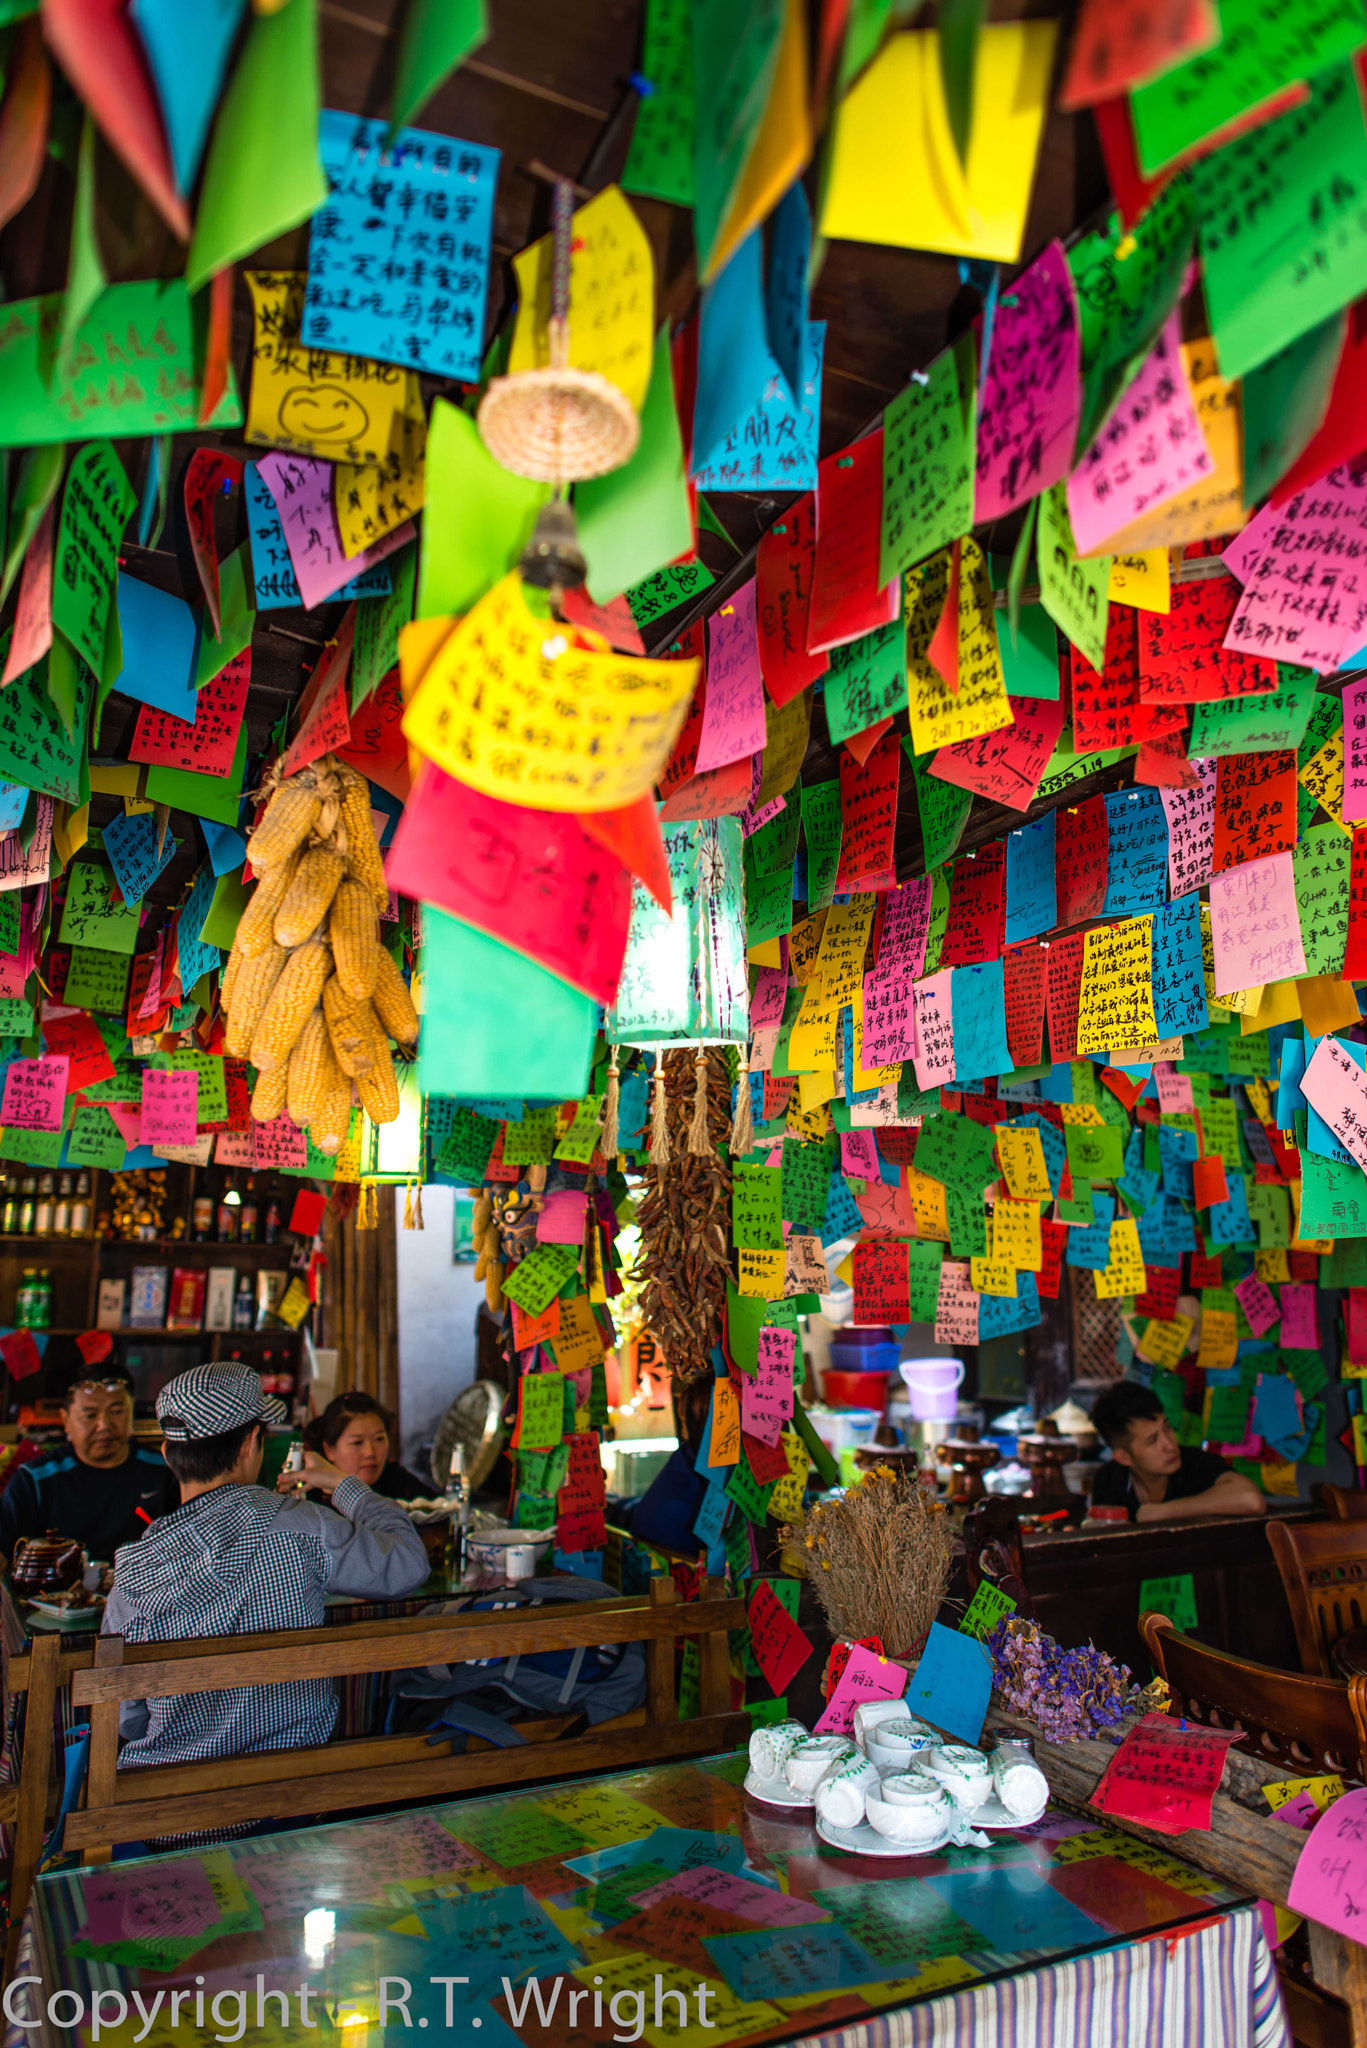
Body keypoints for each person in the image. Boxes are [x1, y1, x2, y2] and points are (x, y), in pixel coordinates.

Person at [103, 1363, 428, 1772]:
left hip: (165, 1815)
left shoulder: (133, 1569)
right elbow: (409, 1565)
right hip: (290, 1798)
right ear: (252, 1443)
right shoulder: (304, 1527)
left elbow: (128, 1719)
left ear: (167, 1453)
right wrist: (346, 1484)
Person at [0, 1362, 179, 1562]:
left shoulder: (167, 1471)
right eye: (90, 1415)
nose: (104, 1425)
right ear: (65, 1419)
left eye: (117, 1411)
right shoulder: (34, 1480)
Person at [1088, 1383, 1266, 1523]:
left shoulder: (1194, 1462)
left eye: (1167, 1428)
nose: (1170, 1445)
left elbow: (1251, 1500)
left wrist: (1161, 1512)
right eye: (1152, 1440)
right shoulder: (1109, 1480)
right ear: (1124, 1457)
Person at [301, 1391, 436, 1501]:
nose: (370, 1452)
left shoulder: (397, 1480)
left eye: (379, 1439)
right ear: (329, 1449)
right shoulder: (310, 1497)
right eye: (357, 1442)